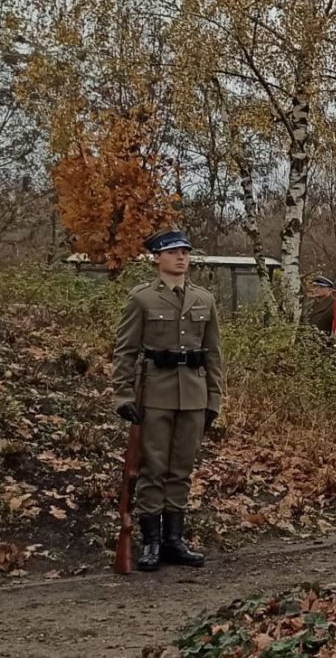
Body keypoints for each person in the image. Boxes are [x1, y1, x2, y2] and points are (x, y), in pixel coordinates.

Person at [111, 229, 223, 572]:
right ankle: (151, 542)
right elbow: (125, 350)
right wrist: (123, 394)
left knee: (181, 469)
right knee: (153, 468)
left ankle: (175, 539)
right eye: (173, 252)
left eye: (185, 252)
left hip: (193, 392)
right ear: (157, 257)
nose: (181, 257)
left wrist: (214, 398)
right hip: (156, 392)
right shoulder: (142, 298)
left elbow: (214, 354)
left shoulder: (204, 299)